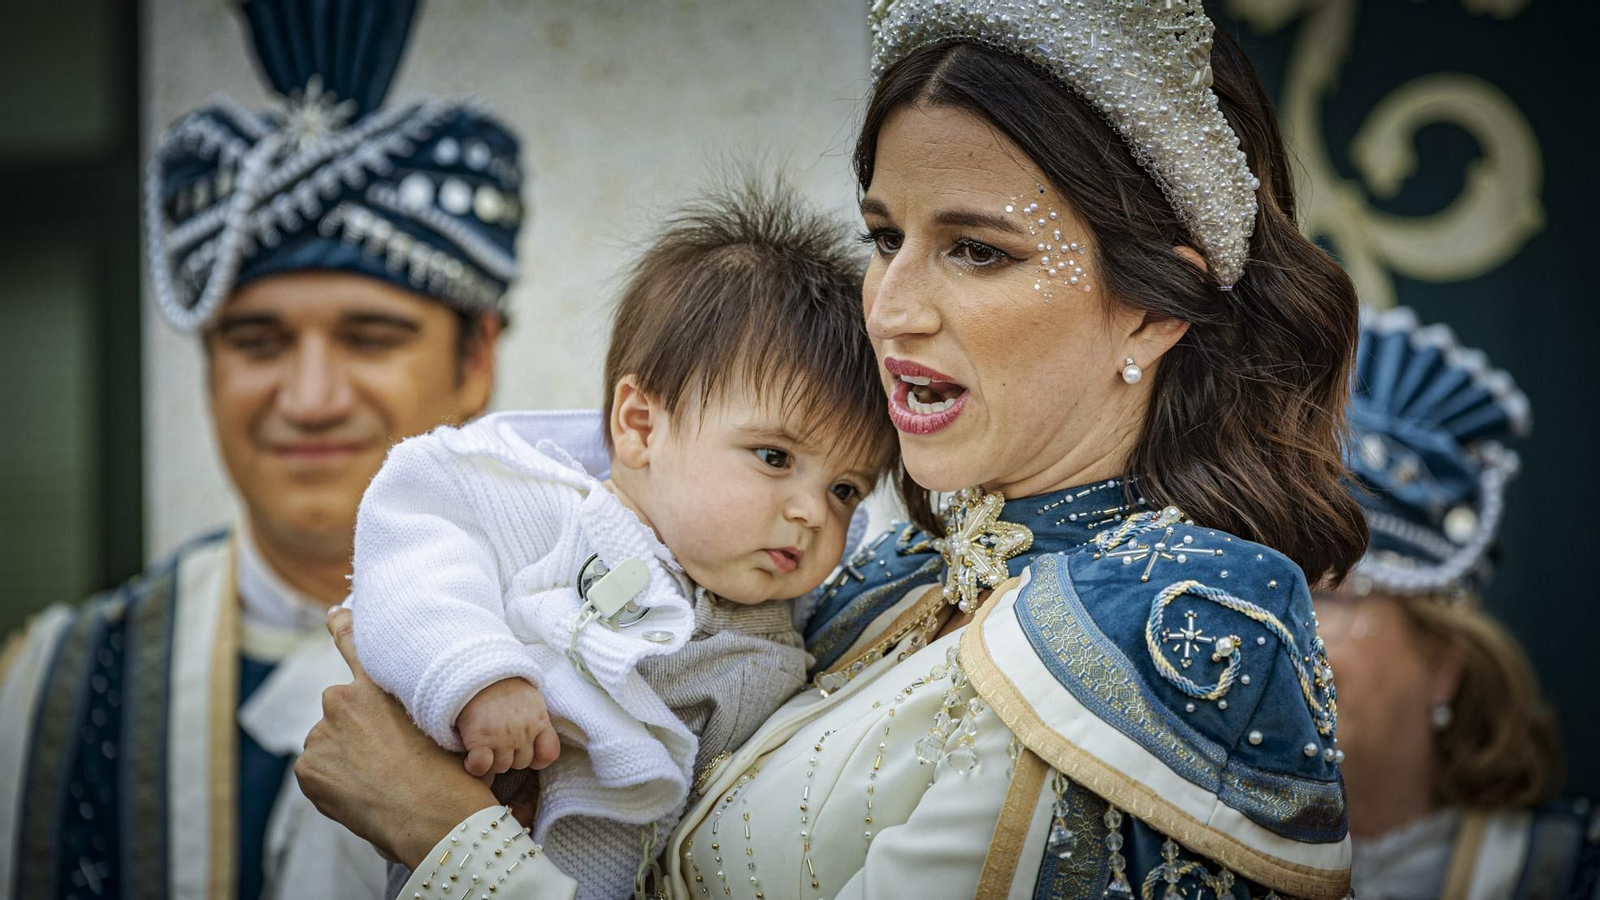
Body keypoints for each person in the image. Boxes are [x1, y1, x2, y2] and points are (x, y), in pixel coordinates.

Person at [297, 1, 1368, 896]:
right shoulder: (880, 584)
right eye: (884, 238)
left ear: (1149, 306)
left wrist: (443, 838)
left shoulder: (1173, 629)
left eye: (975, 250)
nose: (891, 310)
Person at [0, 1, 526, 897]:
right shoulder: (51, 685)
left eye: (368, 336)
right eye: (258, 342)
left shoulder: (594, 647)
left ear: (474, 359)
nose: (310, 398)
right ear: (208, 369)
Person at [349, 183, 896, 900]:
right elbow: (412, 545)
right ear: (640, 426)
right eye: (773, 457)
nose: (812, 514)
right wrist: (477, 675)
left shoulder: (785, 641)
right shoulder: (537, 504)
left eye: (845, 489)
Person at [1315, 307, 1600, 899]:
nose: (1280, 626)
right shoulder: (1192, 870)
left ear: (1444, 661)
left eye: (1328, 595)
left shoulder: (1568, 873)